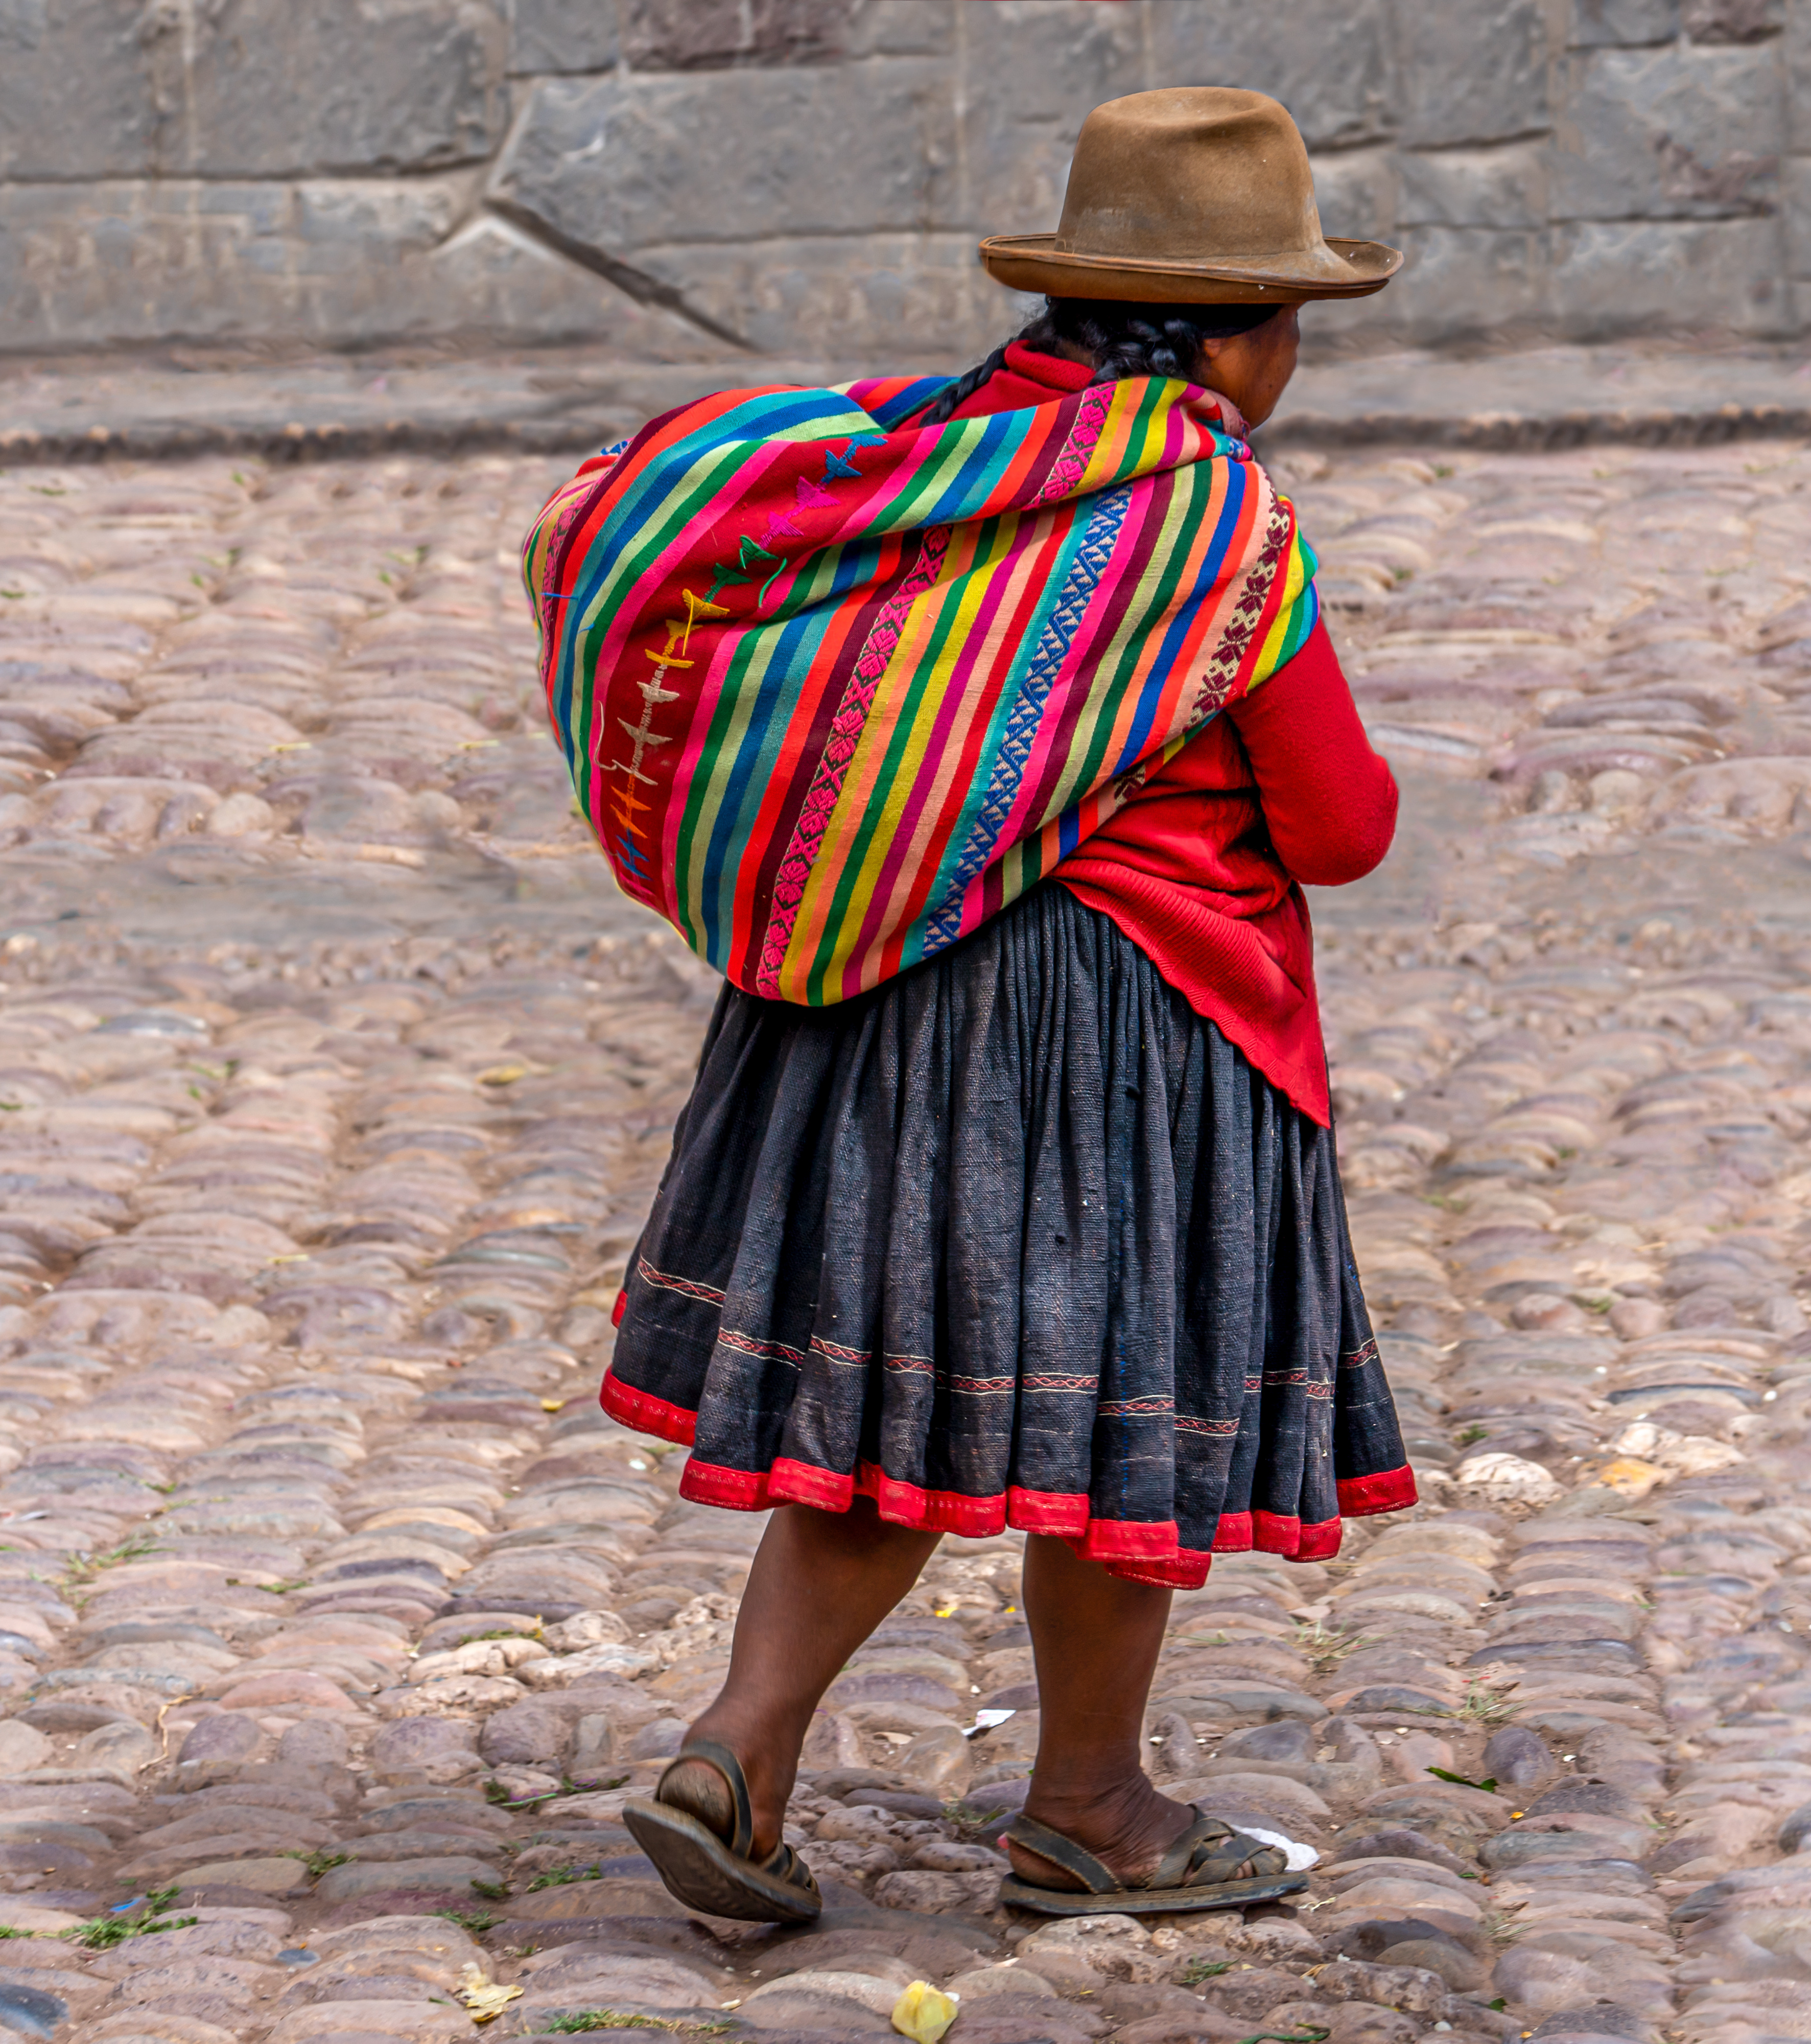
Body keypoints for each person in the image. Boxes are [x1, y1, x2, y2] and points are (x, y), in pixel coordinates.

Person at [521, 86, 1416, 1922]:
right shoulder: (1207, 515)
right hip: (1133, 1019)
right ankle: (1091, 1803)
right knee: (1121, 1417)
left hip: (876, 991)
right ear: (1240, 339)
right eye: (1290, 327)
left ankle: (739, 1753)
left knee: (884, 1400)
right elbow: (1337, 824)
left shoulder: (929, 457)